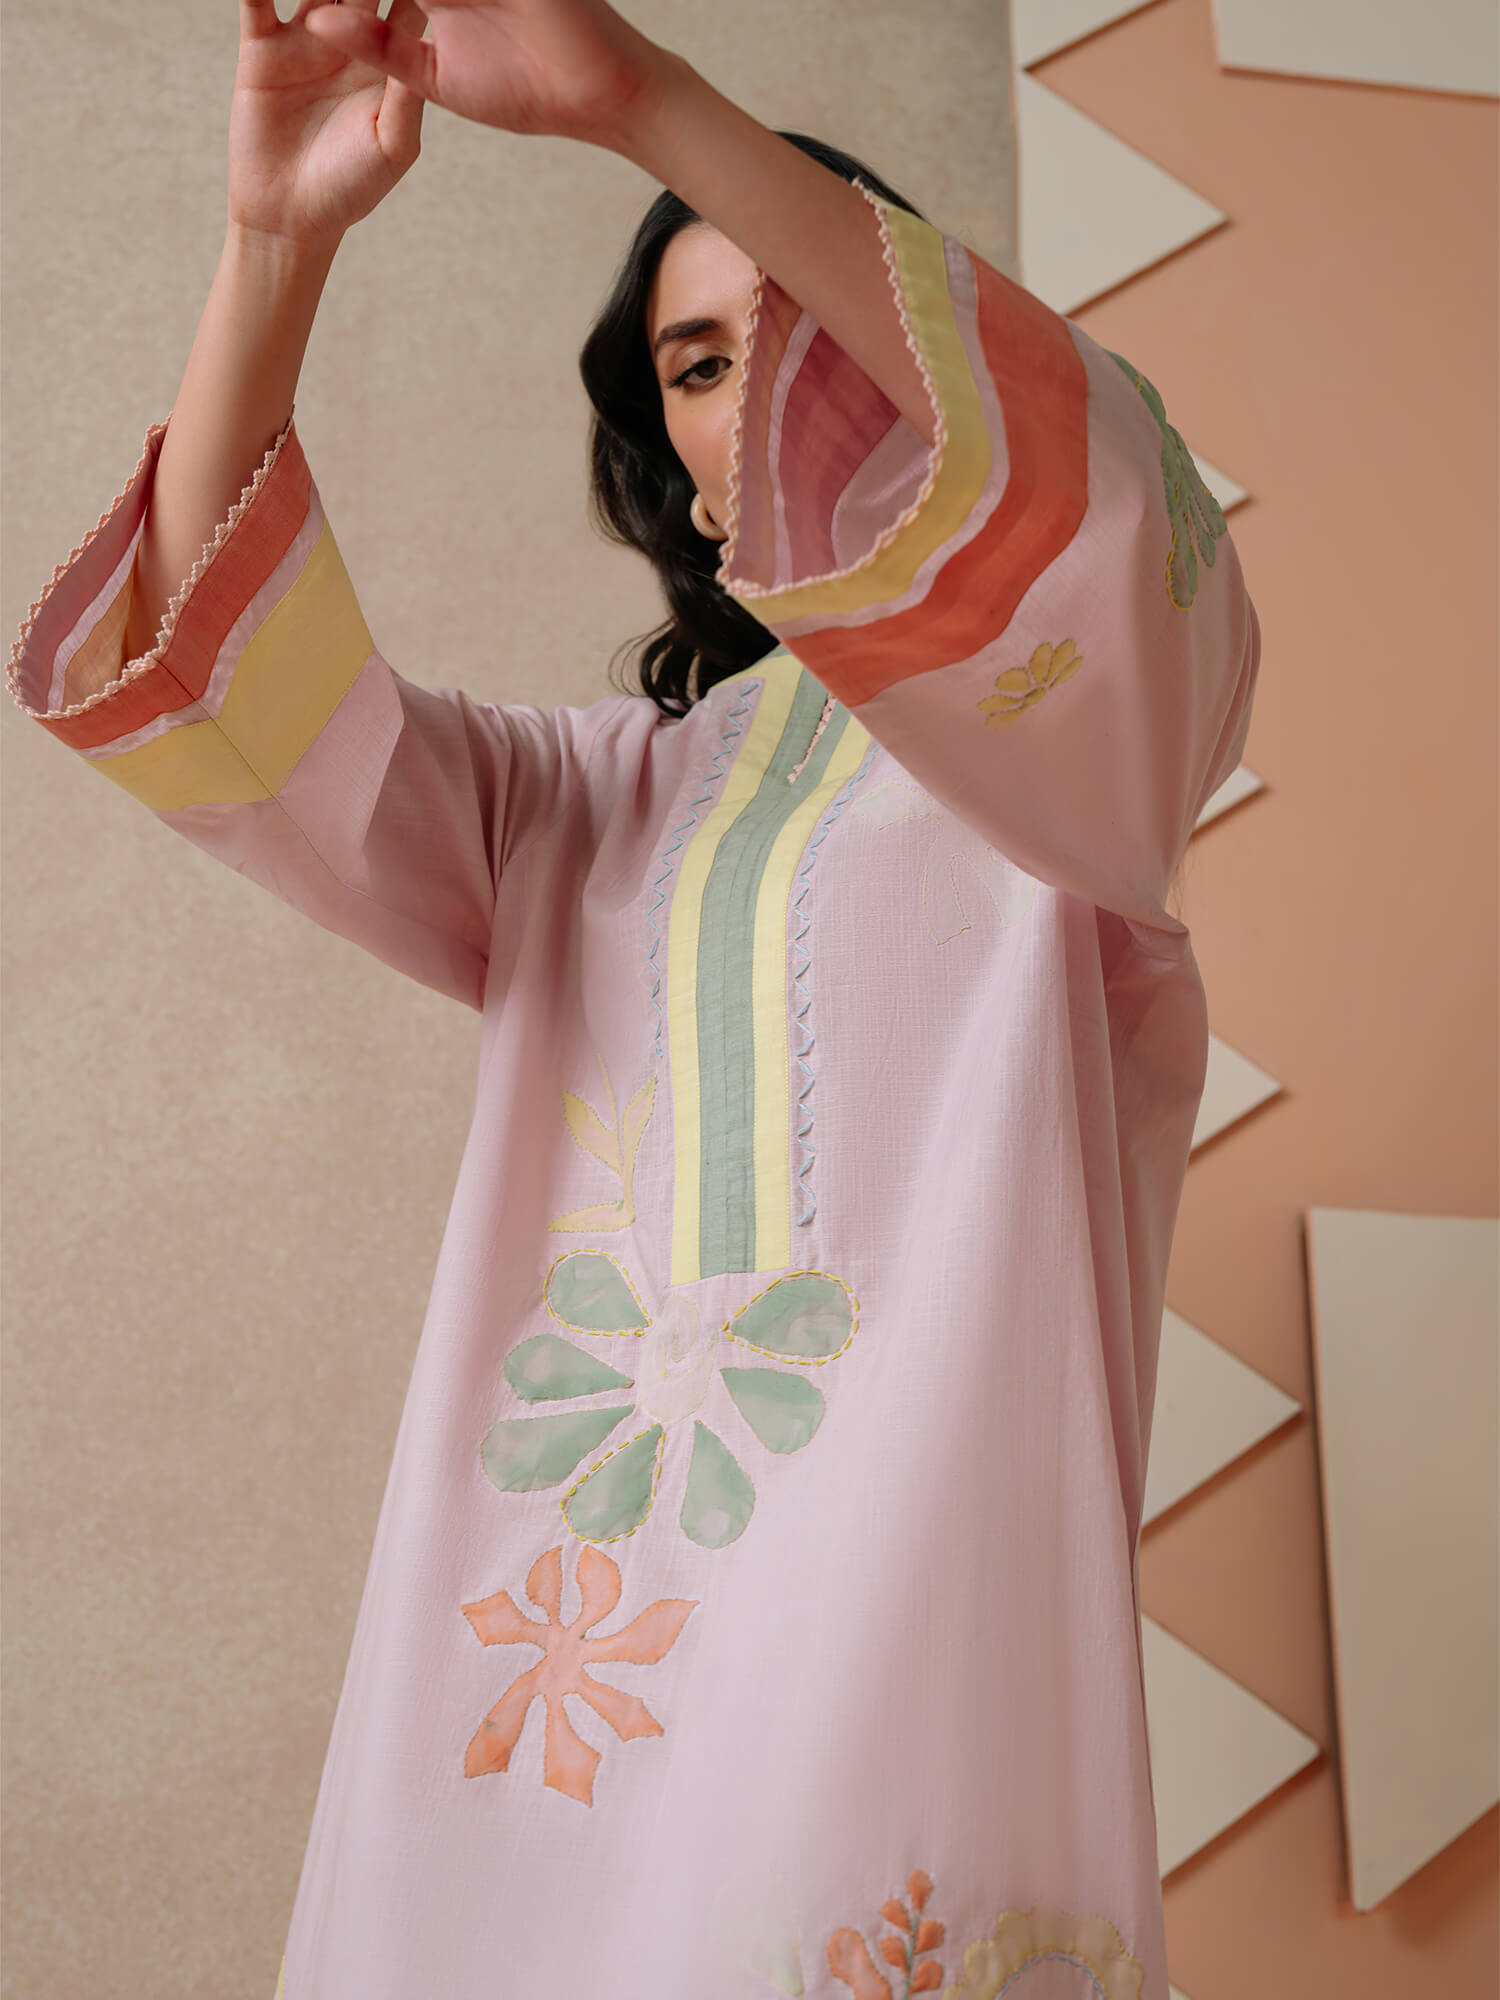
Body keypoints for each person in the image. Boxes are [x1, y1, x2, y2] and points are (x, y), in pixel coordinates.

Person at [6, 1, 1260, 1993]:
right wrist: (274, 244)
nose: (769, 386)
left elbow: (1102, 485)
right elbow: (220, 690)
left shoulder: (1072, 729)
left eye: (808, 316)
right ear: (667, 456)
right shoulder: (571, 804)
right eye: (696, 361)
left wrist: (642, 102)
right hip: (550, 1661)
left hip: (911, 1623)